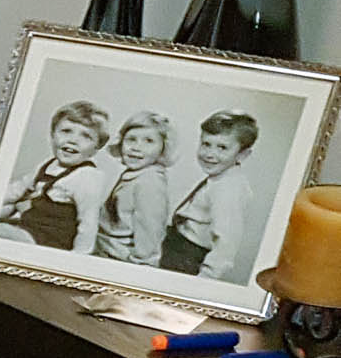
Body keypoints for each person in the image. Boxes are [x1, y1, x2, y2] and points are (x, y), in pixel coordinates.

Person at [0, 101, 113, 254]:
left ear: (96, 148)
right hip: (31, 225)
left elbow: (88, 222)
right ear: (52, 135)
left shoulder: (88, 177)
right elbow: (18, 189)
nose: (73, 140)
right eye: (66, 131)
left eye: (86, 136)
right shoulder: (48, 164)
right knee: (5, 208)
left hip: (52, 239)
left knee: (0, 231)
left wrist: (79, 255)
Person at [161, 109, 261, 281]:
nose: (210, 154)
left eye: (222, 148)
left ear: (242, 155)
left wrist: (204, 279)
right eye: (206, 144)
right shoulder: (220, 179)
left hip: (188, 258)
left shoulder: (229, 188)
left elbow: (226, 243)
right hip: (177, 247)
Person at [93, 110, 175, 266]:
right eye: (131, 139)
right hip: (105, 249)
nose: (137, 147)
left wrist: (139, 264)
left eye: (149, 141)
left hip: (121, 259)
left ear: (163, 149)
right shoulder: (136, 174)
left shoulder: (149, 182)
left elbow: (150, 233)